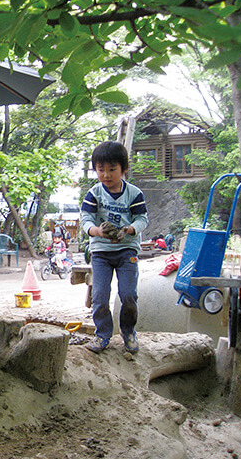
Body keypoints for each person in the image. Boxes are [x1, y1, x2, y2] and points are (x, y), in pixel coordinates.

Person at [80, 141, 148, 354]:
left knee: (128, 294)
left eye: (112, 170)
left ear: (124, 169)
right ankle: (102, 335)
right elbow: (86, 219)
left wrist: (129, 230)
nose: (106, 175)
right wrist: (97, 231)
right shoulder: (94, 193)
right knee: (100, 295)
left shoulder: (134, 194)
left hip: (127, 250)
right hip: (100, 252)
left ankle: (128, 333)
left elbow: (142, 219)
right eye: (101, 170)